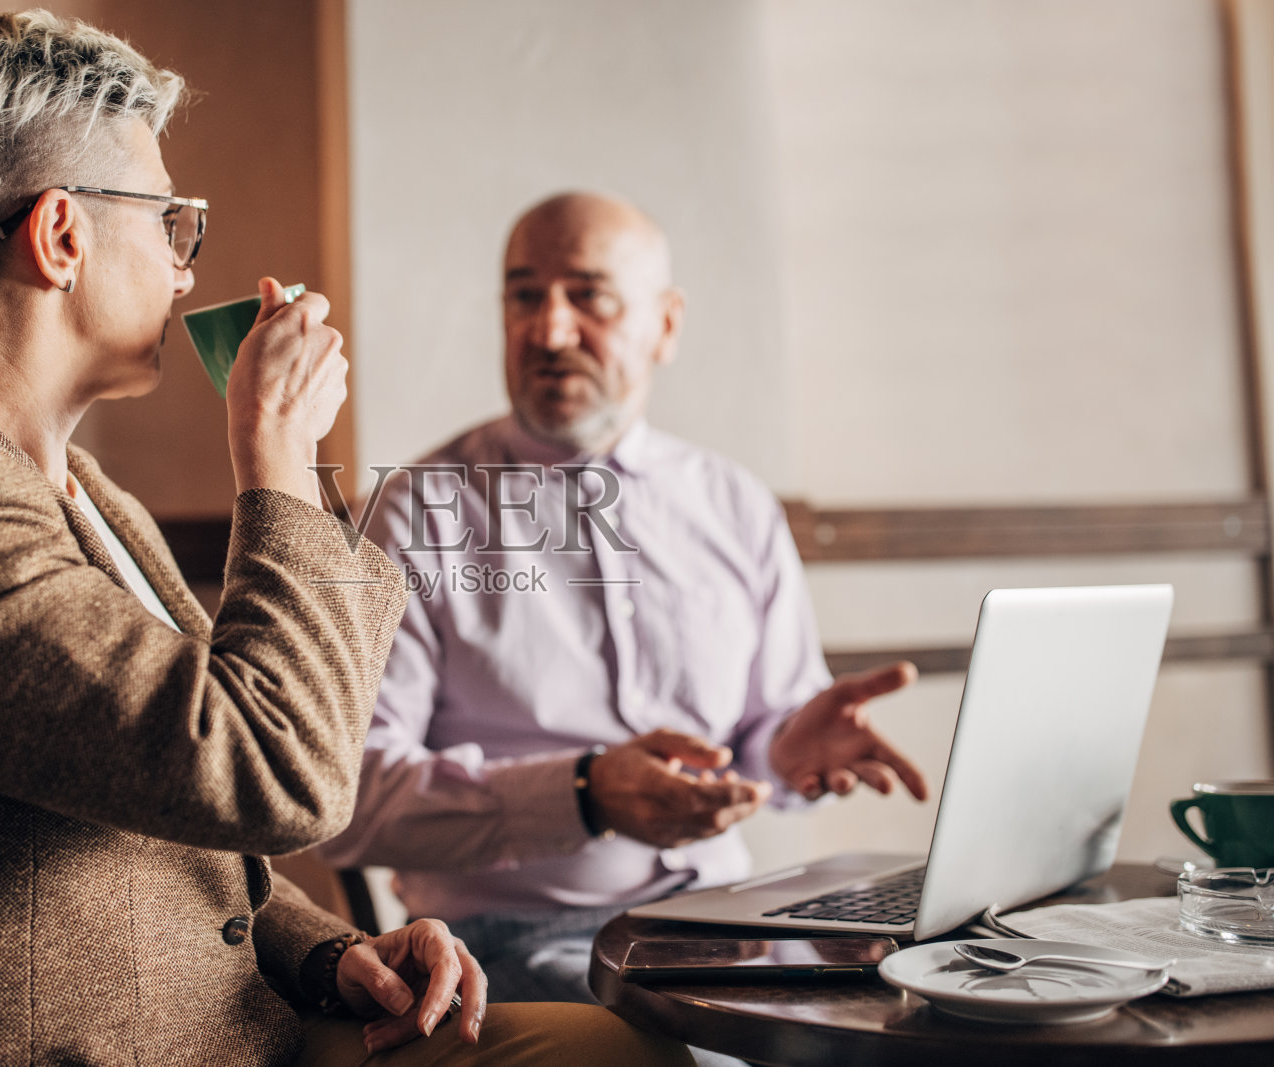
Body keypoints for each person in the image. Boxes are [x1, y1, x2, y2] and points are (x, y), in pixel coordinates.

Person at [0, 16, 692, 1066]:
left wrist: (333, 955)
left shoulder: (71, 490)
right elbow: (277, 774)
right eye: (170, 222)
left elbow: (170, 825)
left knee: (607, 1045)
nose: (187, 270)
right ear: (60, 236)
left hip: (232, 1030)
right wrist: (274, 456)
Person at [319, 192, 930, 1008]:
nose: (549, 331)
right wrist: (583, 793)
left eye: (589, 296)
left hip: (728, 921)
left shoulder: (736, 505)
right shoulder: (414, 514)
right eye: (525, 296)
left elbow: (756, 741)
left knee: (915, 1011)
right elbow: (349, 801)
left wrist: (783, 749)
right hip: (514, 941)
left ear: (666, 325)